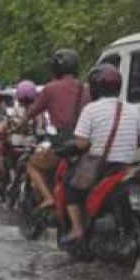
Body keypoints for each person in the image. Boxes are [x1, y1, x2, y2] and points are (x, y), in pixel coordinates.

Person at [61, 63, 140, 243]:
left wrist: (69, 147)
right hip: (125, 167)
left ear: (95, 87)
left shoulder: (91, 109)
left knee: (69, 183)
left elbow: (82, 143)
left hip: (101, 167)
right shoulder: (133, 109)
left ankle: (77, 228)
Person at [25, 49, 90, 207]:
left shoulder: (51, 89)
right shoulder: (86, 89)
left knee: (32, 165)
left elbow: (31, 113)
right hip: (84, 145)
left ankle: (48, 197)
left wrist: (19, 123)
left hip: (62, 145)